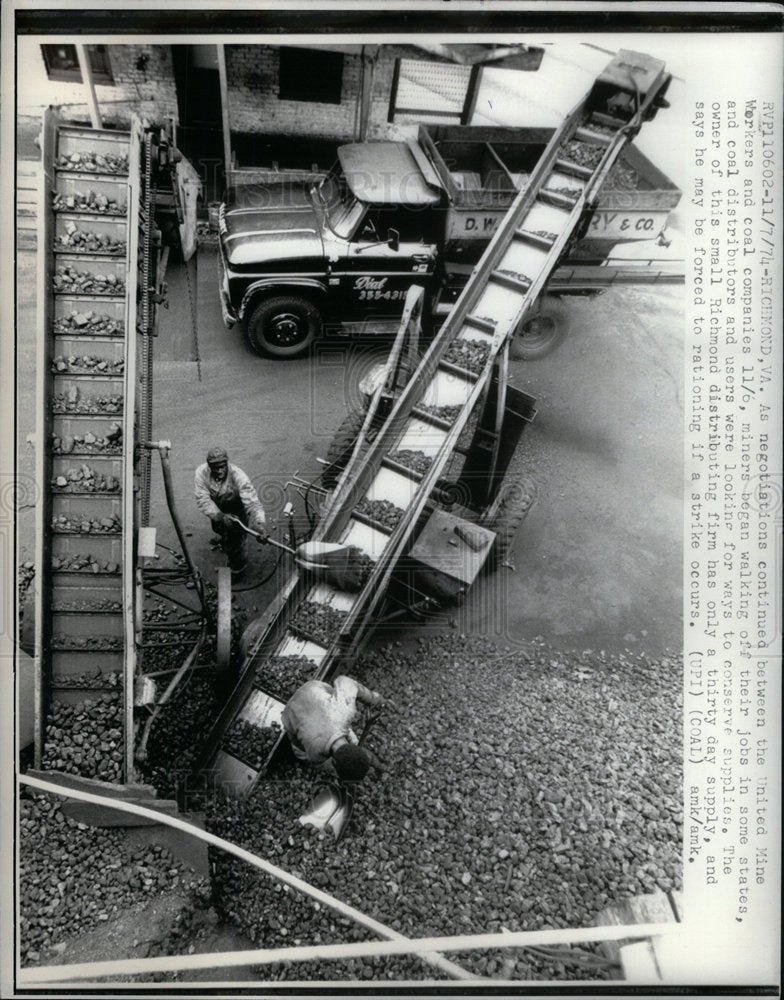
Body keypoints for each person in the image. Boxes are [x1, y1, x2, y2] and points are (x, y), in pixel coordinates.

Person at [281, 675, 389, 782]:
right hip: (289, 713)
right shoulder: (315, 755)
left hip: (310, 690)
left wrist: (374, 699)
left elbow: (344, 681)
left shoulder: (345, 712)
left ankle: (376, 766)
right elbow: (324, 764)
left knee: (335, 728)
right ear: (333, 762)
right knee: (300, 753)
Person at [194, 447, 267, 578]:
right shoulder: (201, 472)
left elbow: (252, 502)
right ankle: (224, 539)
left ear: (227, 463)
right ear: (209, 466)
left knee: (236, 544)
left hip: (237, 509)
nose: (219, 470)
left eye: (222, 466)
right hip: (218, 508)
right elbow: (202, 498)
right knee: (218, 528)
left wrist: (259, 525)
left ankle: (237, 570)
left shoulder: (238, 475)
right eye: (215, 467)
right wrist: (220, 516)